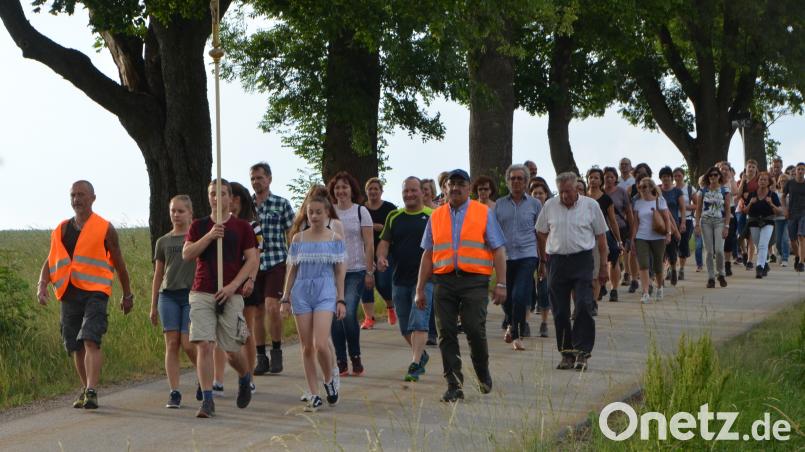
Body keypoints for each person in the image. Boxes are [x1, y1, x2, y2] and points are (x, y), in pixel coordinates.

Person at [37, 180, 134, 410]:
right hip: (68, 293)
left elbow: (119, 264)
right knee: (75, 345)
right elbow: (51, 260)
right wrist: (42, 284)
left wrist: (127, 294)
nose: (76, 200)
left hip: (96, 292)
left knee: (90, 338)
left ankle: (91, 389)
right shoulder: (61, 229)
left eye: (81, 195)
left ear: (93, 198)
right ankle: (86, 390)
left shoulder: (105, 228)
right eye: (73, 195)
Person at [416, 169, 506, 402]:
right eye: (450, 184)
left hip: (474, 281)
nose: (454, 188)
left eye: (460, 184)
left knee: (474, 329)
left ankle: (482, 371)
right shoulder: (436, 216)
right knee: (446, 332)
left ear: (468, 188)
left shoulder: (483, 212)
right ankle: (453, 384)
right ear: (444, 188)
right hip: (444, 281)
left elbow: (498, 249)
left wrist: (502, 284)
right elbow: (428, 253)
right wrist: (419, 288)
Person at [183, 179, 258, 418]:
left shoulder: (242, 227)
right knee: (204, 345)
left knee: (231, 351)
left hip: (231, 293)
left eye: (222, 194)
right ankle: (207, 400)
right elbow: (187, 254)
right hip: (201, 291)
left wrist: (234, 285)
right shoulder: (198, 226)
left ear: (230, 198)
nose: (217, 198)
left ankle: (245, 376)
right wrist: (209, 236)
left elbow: (253, 260)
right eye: (213, 194)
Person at [280, 195, 347, 412]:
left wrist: (340, 299)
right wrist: (285, 298)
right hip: (301, 292)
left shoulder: (335, 238)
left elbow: (339, 272)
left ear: (327, 213)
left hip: (325, 291)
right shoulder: (298, 239)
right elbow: (292, 270)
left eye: (319, 212)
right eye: (311, 212)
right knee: (307, 346)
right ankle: (314, 393)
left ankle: (329, 380)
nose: (315, 216)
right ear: (306, 214)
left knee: (320, 343)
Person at [536, 172, 608, 371]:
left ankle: (582, 352)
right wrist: (544, 258)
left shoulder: (590, 206)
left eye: (568, 191)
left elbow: (601, 240)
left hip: (582, 260)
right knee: (560, 310)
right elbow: (541, 232)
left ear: (577, 188)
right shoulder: (550, 205)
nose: (565, 196)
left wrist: (603, 267)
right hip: (557, 262)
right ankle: (566, 353)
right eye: (561, 192)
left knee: (584, 305)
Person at [376, 177, 434, 381]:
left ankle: (415, 364)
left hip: (426, 279)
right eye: (406, 191)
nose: (409, 195)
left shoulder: (432, 216)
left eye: (413, 191)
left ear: (422, 193)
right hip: (399, 279)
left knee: (419, 321)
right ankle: (421, 355)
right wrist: (381, 257)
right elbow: (384, 242)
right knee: (404, 327)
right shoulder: (394, 216)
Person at [150, 195, 199, 409]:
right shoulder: (163, 241)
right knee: (171, 343)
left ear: (190, 213)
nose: (176, 215)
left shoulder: (197, 239)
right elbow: (158, 274)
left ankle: (203, 376)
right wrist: (153, 305)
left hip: (190, 295)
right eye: (173, 211)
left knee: (188, 343)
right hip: (167, 295)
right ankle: (174, 391)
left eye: (181, 211)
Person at [250, 162, 295, 376]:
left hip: (276, 261)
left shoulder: (281, 204)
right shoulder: (246, 206)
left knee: (271, 306)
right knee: (257, 311)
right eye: (253, 178)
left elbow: (291, 233)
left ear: (269, 179)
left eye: (259, 177)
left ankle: (276, 350)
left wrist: (294, 262)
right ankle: (261, 356)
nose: (256, 182)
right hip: (253, 264)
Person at [328, 171, 374, 376]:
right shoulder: (329, 212)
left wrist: (369, 270)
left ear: (351, 190)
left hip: (356, 269)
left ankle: (355, 357)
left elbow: (369, 243)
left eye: (345, 187)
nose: (341, 191)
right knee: (334, 317)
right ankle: (341, 361)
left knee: (347, 314)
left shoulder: (360, 211)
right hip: (331, 271)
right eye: (337, 187)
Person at [495, 164, 541, 351]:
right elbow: (493, 231)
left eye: (519, 178)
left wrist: (543, 259)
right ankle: (510, 322)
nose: (515, 181)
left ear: (526, 182)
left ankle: (517, 333)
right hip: (505, 257)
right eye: (512, 178)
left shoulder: (535, 204)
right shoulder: (499, 204)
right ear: (507, 182)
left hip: (527, 255)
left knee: (520, 295)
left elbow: (541, 232)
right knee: (507, 298)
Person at [360, 178, 397, 330]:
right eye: (370, 189)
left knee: (383, 282)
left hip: (385, 252)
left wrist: (383, 229)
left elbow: (397, 229)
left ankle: (390, 306)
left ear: (381, 191)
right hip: (364, 252)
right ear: (366, 191)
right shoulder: (361, 209)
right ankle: (369, 318)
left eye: (376, 189)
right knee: (366, 285)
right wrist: (368, 228)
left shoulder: (390, 208)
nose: (373, 191)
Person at [631, 178, 672, 303]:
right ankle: (645, 292)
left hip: (658, 237)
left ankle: (659, 287)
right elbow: (636, 223)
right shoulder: (638, 203)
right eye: (640, 187)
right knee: (643, 264)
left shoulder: (660, 201)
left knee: (657, 266)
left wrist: (669, 233)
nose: (642, 189)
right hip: (641, 237)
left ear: (651, 188)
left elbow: (666, 218)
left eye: (644, 187)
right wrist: (633, 238)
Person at [586, 168, 622, 304]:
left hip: (603, 232)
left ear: (601, 181)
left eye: (596, 178)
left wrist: (619, 240)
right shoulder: (583, 197)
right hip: (586, 234)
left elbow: (612, 220)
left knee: (613, 255)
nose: (593, 180)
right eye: (591, 178)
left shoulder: (606, 199)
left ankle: (612, 287)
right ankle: (598, 289)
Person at [695, 167, 731, 288]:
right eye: (710, 175)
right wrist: (696, 225)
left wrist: (726, 226)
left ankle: (721, 273)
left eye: (715, 175)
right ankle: (711, 277)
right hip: (705, 222)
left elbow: (727, 209)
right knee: (709, 251)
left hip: (720, 222)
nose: (713, 177)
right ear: (708, 177)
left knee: (719, 250)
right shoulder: (702, 191)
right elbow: (698, 209)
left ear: (719, 176)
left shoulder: (724, 190)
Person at [743, 172, 783, 278]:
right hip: (754, 221)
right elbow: (745, 211)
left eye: (765, 180)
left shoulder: (772, 195)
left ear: (769, 182)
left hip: (768, 221)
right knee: (758, 244)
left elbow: (779, 211)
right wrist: (751, 203)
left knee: (763, 244)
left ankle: (759, 267)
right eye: (761, 179)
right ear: (757, 181)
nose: (763, 181)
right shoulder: (752, 195)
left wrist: (771, 204)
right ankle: (765, 264)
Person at [603, 166, 633, 302]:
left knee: (613, 259)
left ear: (616, 179)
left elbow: (629, 212)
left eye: (611, 176)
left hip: (619, 228)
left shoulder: (621, 192)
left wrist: (631, 231)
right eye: (606, 176)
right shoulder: (597, 193)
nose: (608, 179)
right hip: (600, 230)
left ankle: (614, 288)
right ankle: (602, 284)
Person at [529, 184, 552, 335]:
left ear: (546, 195)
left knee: (544, 289)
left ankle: (544, 322)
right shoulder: (527, 211)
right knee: (528, 289)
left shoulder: (551, 212)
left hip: (547, 254)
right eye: (534, 193)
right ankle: (524, 321)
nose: (538, 196)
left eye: (540, 193)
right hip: (529, 254)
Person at [659, 166, 685, 285]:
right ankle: (662, 275)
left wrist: (683, 223)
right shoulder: (657, 191)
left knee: (672, 250)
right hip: (659, 225)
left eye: (668, 176)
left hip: (674, 224)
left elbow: (682, 208)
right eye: (663, 177)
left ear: (671, 178)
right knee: (660, 252)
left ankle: (674, 269)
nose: (666, 179)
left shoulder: (677, 191)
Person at [736, 160, 760, 269]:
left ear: (756, 169)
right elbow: (738, 194)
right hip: (742, 211)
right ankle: (744, 252)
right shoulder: (741, 181)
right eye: (749, 167)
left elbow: (760, 194)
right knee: (740, 235)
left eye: (753, 167)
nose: (751, 169)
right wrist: (743, 181)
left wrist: (749, 195)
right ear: (746, 168)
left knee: (751, 236)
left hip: (755, 211)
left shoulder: (759, 181)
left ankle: (750, 261)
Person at [673, 167, 696, 280]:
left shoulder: (689, 188)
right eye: (675, 176)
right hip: (672, 220)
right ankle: (671, 268)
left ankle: (681, 269)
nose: (677, 178)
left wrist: (684, 206)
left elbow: (697, 205)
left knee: (683, 244)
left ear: (683, 176)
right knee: (671, 245)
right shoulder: (670, 189)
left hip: (686, 219)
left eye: (679, 176)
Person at [782, 162, 805, 272]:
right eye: (799, 169)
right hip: (791, 213)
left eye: (802, 169)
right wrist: (785, 209)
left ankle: (801, 262)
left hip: (803, 214)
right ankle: (797, 256)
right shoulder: (790, 183)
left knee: (801, 236)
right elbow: (783, 196)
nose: (800, 171)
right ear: (795, 171)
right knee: (792, 239)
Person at [718, 162, 738, 276]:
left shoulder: (731, 182)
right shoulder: (715, 181)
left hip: (729, 210)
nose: (724, 171)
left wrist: (731, 179)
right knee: (719, 240)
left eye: (726, 169)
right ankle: (720, 265)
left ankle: (727, 264)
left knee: (729, 239)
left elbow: (735, 192)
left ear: (730, 171)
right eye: (722, 169)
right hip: (717, 212)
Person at [773, 174, 790, 266]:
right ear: (779, 182)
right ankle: (779, 253)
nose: (783, 182)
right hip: (778, 219)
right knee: (778, 240)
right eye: (782, 180)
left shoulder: (791, 192)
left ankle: (785, 258)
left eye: (785, 181)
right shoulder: (775, 193)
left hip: (788, 218)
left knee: (785, 238)